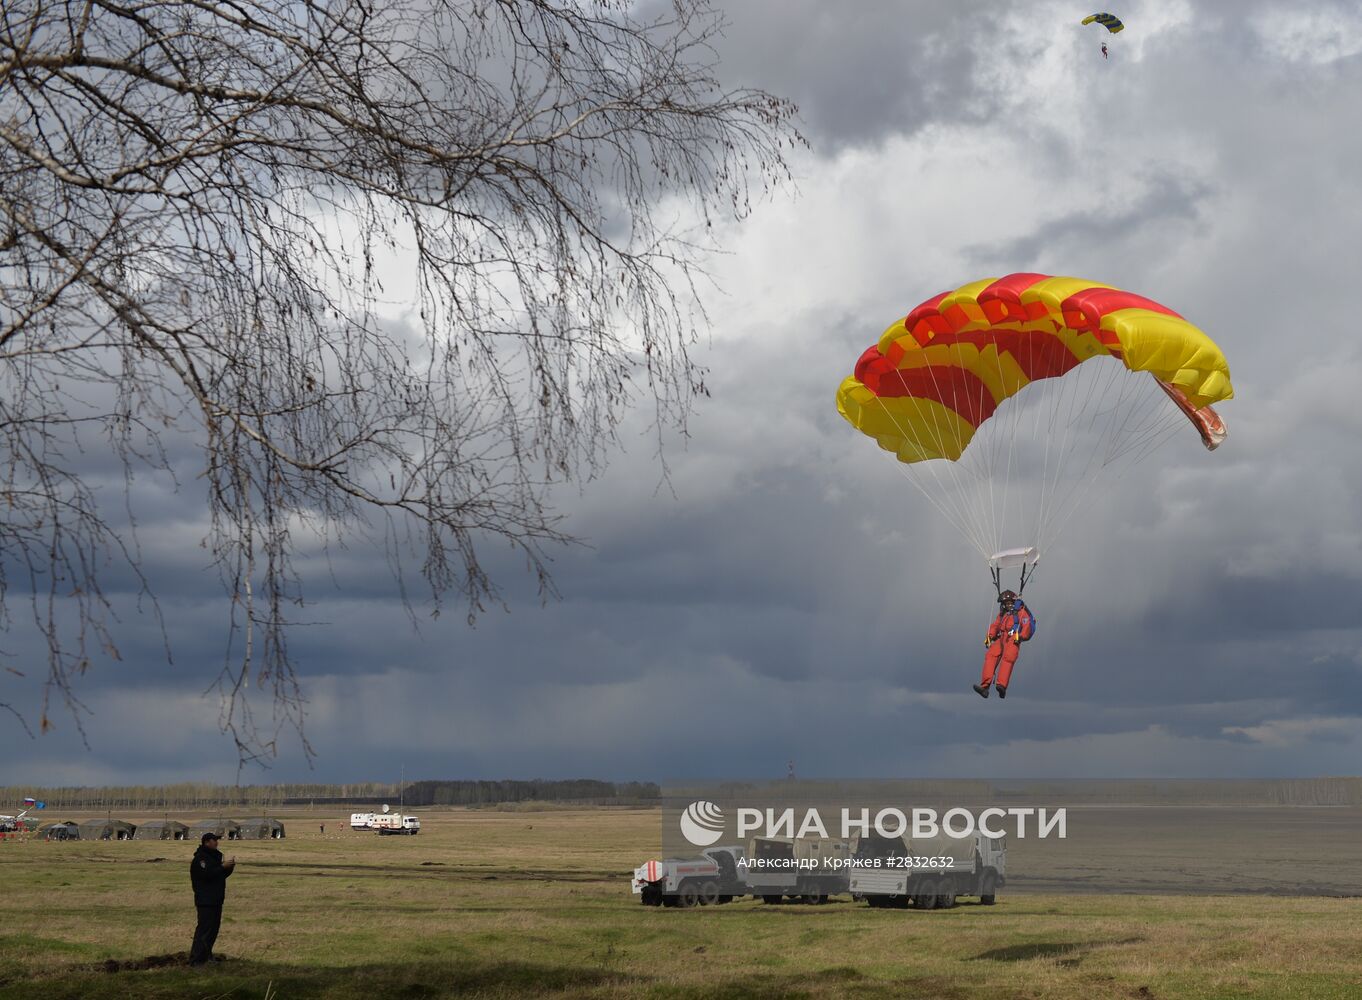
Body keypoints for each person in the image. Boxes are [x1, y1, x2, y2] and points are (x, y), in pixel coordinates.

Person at [973, 590, 1035, 700]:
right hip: (1002, 637)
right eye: (1006, 603)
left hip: (1013, 638)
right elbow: (996, 625)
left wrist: (1021, 636)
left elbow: (1027, 625)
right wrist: (990, 636)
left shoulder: (1020, 612)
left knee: (1008, 657)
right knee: (991, 655)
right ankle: (985, 687)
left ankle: (1002, 686)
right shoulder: (1003, 614)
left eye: (1010, 603)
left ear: (1014, 602)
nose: (1008, 605)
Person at [189, 832, 235, 966]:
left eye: (217, 840)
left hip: (216, 899)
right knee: (204, 930)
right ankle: (196, 960)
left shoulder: (213, 857)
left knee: (213, 931)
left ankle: (207, 957)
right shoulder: (201, 859)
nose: (216, 842)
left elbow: (219, 876)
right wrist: (222, 866)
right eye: (214, 840)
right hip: (205, 900)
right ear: (206, 842)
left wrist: (229, 868)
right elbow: (207, 875)